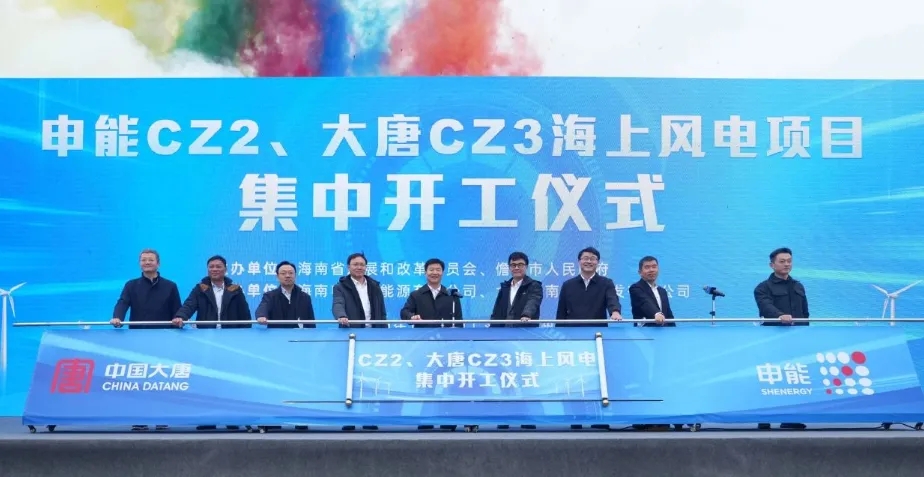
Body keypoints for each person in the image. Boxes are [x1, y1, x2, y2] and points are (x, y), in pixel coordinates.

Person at [173, 254, 252, 432]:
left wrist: (244, 340)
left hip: (230, 342)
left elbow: (245, 316)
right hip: (206, 341)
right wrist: (180, 317)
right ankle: (207, 418)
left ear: (225, 269)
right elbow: (189, 306)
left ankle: (231, 418)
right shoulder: (200, 289)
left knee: (230, 380)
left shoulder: (235, 289)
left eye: (218, 266)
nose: (215, 269)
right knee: (207, 380)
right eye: (211, 267)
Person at [110, 248, 181, 432]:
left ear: (158, 263)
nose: (147, 262)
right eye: (143, 260)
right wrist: (117, 317)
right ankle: (139, 417)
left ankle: (161, 417)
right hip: (138, 339)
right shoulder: (131, 285)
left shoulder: (170, 286)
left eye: (150, 259)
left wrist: (179, 320)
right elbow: (122, 303)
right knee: (139, 380)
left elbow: (177, 310)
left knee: (161, 380)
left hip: (163, 339)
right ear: (139, 263)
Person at [754, 247, 809, 431]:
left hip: (797, 339)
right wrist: (780, 316)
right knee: (771, 379)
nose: (787, 264)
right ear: (772, 265)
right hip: (773, 339)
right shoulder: (763, 287)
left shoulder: (798, 286)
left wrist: (807, 333)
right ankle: (764, 417)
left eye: (789, 261)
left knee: (793, 379)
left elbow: (805, 313)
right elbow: (765, 307)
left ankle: (790, 418)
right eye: (782, 261)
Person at [556, 247, 623, 327]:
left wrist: (615, 311)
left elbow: (612, 299)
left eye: (593, 259)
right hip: (572, 330)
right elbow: (561, 312)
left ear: (598, 262)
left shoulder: (606, 283)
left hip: (597, 330)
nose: (589, 261)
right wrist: (558, 330)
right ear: (579, 261)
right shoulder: (568, 285)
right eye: (585, 258)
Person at [400, 258, 462, 328]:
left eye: (438, 270)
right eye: (431, 270)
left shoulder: (452, 296)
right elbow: (404, 312)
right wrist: (411, 317)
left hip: (447, 334)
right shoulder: (416, 295)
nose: (435, 273)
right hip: (422, 334)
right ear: (425, 273)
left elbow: (459, 322)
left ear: (442, 273)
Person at [332, 253, 387, 328]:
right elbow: (338, 303)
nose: (359, 267)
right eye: (355, 264)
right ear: (348, 267)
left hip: (375, 331)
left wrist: (384, 330)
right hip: (351, 331)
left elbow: (382, 312)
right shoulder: (340, 287)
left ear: (365, 267)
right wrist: (341, 316)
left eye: (362, 265)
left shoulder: (375, 286)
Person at [256, 261, 316, 329]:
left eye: (291, 273)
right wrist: (261, 316)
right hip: (276, 334)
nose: (287, 276)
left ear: (295, 275)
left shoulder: (305, 297)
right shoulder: (270, 296)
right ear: (277, 276)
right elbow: (263, 307)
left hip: (299, 334)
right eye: (283, 273)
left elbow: (311, 322)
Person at [490, 251, 543, 328]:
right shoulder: (505, 287)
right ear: (509, 267)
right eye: (513, 265)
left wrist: (526, 314)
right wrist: (492, 329)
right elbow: (496, 311)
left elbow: (533, 302)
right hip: (502, 332)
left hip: (524, 330)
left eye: (520, 265)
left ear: (526, 266)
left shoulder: (534, 286)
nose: (516, 268)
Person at [628, 256, 675, 327]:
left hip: (664, 331)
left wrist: (673, 330)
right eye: (647, 267)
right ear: (640, 272)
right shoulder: (636, 288)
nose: (651, 270)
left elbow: (668, 315)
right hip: (644, 331)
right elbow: (645, 302)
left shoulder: (662, 291)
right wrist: (656, 313)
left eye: (654, 267)